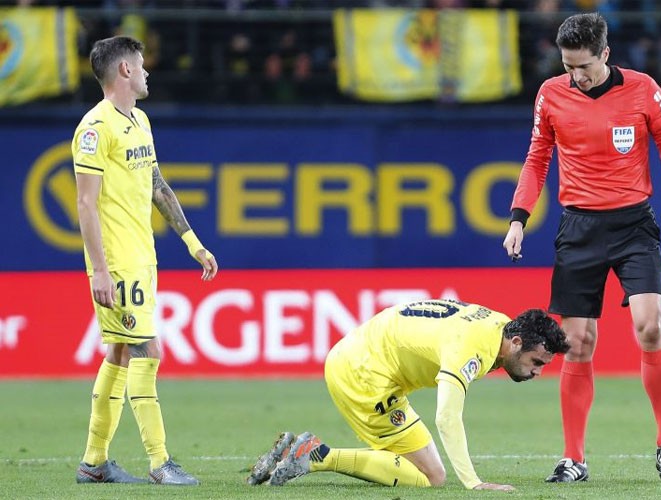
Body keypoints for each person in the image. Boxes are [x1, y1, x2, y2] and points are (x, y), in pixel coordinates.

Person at [502, 12, 661, 483]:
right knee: (577, 343)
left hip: (634, 225)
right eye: (567, 67)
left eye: (584, 68)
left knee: (650, 327)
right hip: (578, 229)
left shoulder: (644, 91)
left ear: (605, 55)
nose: (575, 77)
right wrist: (519, 218)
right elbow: (536, 158)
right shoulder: (551, 94)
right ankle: (573, 458)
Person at [73, 36, 218, 485]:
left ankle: (94, 461)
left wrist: (193, 243)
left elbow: (158, 186)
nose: (147, 71)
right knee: (148, 349)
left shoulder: (139, 121)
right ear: (124, 72)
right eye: (141, 64)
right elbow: (85, 204)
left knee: (119, 352)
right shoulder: (94, 129)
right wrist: (99, 269)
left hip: (143, 257)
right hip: (116, 262)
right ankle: (160, 463)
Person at [246, 300, 570, 490]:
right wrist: (473, 482)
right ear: (516, 343)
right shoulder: (473, 347)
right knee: (432, 476)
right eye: (536, 362)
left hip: (362, 357)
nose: (537, 372)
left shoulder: (500, 326)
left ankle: (298, 450)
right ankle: (314, 455)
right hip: (365, 374)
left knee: (428, 470)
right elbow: (446, 416)